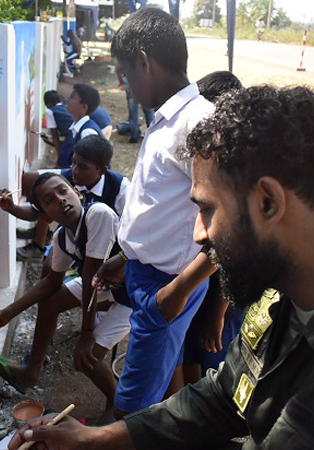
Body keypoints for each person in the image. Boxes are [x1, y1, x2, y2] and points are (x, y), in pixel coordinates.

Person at [8, 85, 314, 450]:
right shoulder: (278, 296)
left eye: (206, 209)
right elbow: (227, 396)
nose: (198, 234)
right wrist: (98, 440)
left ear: (268, 202)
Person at [91, 8, 217, 419]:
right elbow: (162, 206)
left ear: (144, 61)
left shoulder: (195, 124)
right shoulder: (169, 119)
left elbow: (233, 225)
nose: (124, 82)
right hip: (150, 276)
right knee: (154, 388)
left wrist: (179, 290)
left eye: (125, 71)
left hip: (168, 284)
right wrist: (127, 258)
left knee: (132, 407)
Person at [0, 172, 132, 416]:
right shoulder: (63, 238)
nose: (61, 200)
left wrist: (86, 334)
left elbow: (90, 280)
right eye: (50, 200)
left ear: (77, 192)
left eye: (63, 191)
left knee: (85, 358)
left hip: (132, 296)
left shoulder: (99, 215)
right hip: (105, 287)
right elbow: (52, 282)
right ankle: (31, 371)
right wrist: (7, 313)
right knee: (50, 302)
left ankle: (116, 401)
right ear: (44, 215)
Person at [182, 70, 245, 384]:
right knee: (192, 352)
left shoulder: (232, 160)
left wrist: (217, 312)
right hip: (205, 283)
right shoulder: (206, 151)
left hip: (223, 293)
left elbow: (234, 248)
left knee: (214, 360)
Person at [7, 136, 129, 265]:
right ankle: (40, 247)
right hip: (74, 237)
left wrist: (122, 259)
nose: (75, 170)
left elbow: (131, 230)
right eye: (73, 162)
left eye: (83, 167)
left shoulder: (120, 187)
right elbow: (37, 212)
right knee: (50, 265)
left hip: (108, 246)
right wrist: (12, 208)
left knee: (91, 272)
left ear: (102, 170)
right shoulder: (65, 182)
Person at [59, 83, 103, 169]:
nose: (67, 100)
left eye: (72, 97)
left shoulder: (87, 133)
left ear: (83, 106)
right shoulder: (75, 128)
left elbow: (89, 171)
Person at [116, 69, 154, 144]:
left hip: (131, 88)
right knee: (148, 112)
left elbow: (119, 70)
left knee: (133, 114)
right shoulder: (144, 58)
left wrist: (121, 82)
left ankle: (134, 137)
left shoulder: (125, 58)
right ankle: (152, 135)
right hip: (145, 87)